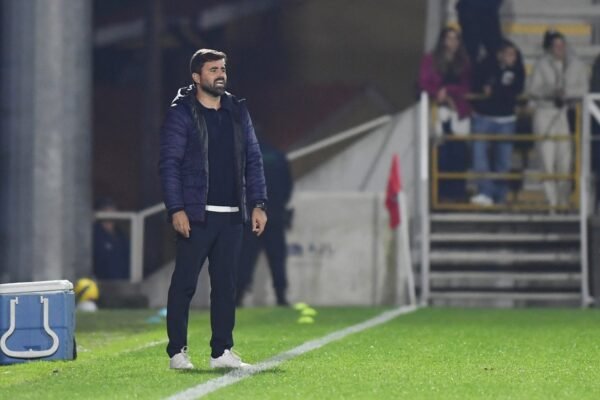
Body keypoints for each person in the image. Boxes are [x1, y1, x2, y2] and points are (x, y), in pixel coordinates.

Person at [158, 49, 268, 370]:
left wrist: (258, 204)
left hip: (232, 215)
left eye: (222, 69)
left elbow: (253, 159)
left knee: (225, 287)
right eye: (213, 70)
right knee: (184, 285)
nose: (220, 74)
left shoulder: (237, 111)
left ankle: (221, 351)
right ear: (196, 77)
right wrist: (176, 209)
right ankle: (177, 352)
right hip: (197, 215)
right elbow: (169, 164)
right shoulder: (182, 113)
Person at [529, 30, 588, 209]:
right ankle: (551, 202)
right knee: (547, 159)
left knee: (565, 160)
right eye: (556, 45)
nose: (559, 48)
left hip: (565, 113)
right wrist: (550, 91)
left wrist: (566, 93)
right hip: (545, 112)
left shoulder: (576, 64)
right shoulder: (541, 64)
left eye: (562, 45)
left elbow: (584, 89)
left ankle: (563, 201)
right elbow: (533, 89)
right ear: (550, 48)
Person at [237, 140, 293, 307]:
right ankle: (281, 295)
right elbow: (287, 186)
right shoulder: (277, 156)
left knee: (245, 258)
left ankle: (238, 295)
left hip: (252, 216)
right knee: (277, 258)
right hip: (274, 215)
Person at [419, 27, 472, 202]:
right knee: (442, 153)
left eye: (455, 39)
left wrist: (448, 91)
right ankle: (440, 193)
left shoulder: (463, 61)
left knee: (459, 153)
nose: (452, 42)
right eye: (449, 38)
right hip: (439, 111)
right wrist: (438, 93)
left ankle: (457, 192)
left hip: (457, 111)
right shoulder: (431, 59)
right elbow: (424, 82)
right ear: (442, 40)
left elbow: (466, 86)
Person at [470, 40, 525, 206]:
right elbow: (477, 85)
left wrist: (495, 91)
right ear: (500, 55)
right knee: (479, 157)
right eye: (509, 54)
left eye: (514, 54)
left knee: (504, 161)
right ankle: (485, 192)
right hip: (484, 117)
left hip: (506, 119)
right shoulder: (486, 66)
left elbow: (515, 90)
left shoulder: (518, 69)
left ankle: (500, 197)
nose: (512, 58)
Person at [92, 197, 130, 280]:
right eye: (106, 209)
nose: (110, 213)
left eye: (112, 209)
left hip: (122, 282)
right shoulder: (95, 234)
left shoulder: (121, 235)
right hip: (102, 282)